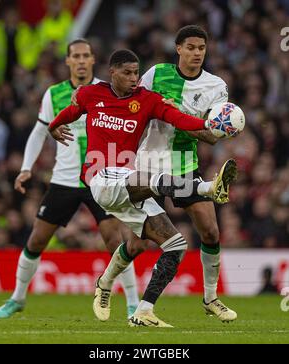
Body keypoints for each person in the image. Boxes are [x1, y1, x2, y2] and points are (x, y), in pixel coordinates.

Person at [48, 49, 237, 327]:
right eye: (127, 73)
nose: (134, 78)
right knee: (151, 178)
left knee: (175, 245)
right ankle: (209, 188)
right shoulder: (91, 93)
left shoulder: (146, 100)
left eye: (136, 73)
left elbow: (178, 119)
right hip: (100, 177)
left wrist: (209, 124)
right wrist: (55, 126)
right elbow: (71, 110)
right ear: (112, 72)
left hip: (127, 180)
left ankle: (141, 309)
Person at [0, 40, 139, 319]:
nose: (82, 60)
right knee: (36, 240)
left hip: (101, 177)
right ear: (69, 61)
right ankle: (17, 298)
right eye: (76, 56)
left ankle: (133, 303)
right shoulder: (54, 93)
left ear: (93, 59)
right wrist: (26, 168)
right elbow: (39, 132)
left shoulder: (108, 91)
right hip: (65, 179)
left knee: (114, 241)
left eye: (86, 55)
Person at [136, 25, 238, 322]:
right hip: (148, 163)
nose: (196, 53)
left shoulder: (216, 86)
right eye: (191, 47)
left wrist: (176, 113)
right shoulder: (156, 74)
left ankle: (210, 298)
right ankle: (105, 284)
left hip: (183, 165)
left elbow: (211, 137)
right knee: (137, 243)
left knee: (210, 231)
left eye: (201, 48)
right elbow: (137, 111)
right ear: (178, 48)